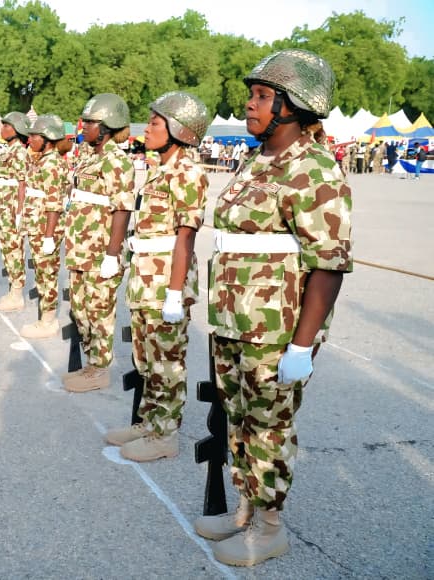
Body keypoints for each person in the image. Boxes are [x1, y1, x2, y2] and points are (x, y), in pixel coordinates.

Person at [192, 49, 352, 566]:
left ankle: (270, 525)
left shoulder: (315, 168)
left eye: (263, 96)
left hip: (276, 330)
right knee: (238, 418)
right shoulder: (255, 159)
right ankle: (245, 508)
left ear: (295, 105)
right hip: (233, 317)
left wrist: (302, 346)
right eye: (253, 94)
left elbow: (328, 264)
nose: (251, 103)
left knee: (269, 425)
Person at [104, 91, 209, 462]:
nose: (146, 129)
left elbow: (185, 236)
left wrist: (176, 293)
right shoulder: (159, 168)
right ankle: (149, 421)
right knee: (146, 358)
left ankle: (165, 433)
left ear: (178, 130)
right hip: (145, 277)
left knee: (167, 361)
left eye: (154, 123)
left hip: (166, 281)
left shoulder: (188, 172)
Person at [62, 94, 135, 392]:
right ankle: (91, 363)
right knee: (80, 309)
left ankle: (100, 368)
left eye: (90, 122)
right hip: (81, 248)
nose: (84, 127)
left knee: (99, 311)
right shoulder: (92, 157)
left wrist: (112, 254)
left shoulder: (117, 161)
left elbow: (122, 208)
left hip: (100, 250)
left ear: (106, 126)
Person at [19, 114, 70, 339]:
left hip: (45, 228)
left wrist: (49, 236)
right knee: (42, 272)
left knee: (47, 273)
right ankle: (44, 317)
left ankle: (48, 321)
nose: (30, 139)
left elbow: (54, 202)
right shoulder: (42, 159)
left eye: (34, 136)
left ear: (47, 138)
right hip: (37, 225)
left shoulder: (51, 163)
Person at [0, 112, 31, 311]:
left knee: (14, 250)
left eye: (7, 126)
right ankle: (12, 290)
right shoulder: (10, 150)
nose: (3, 129)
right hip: (3, 208)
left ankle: (17, 294)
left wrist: (20, 212)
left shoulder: (20, 152)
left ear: (18, 130)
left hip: (11, 208)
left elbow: (23, 183)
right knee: (7, 249)